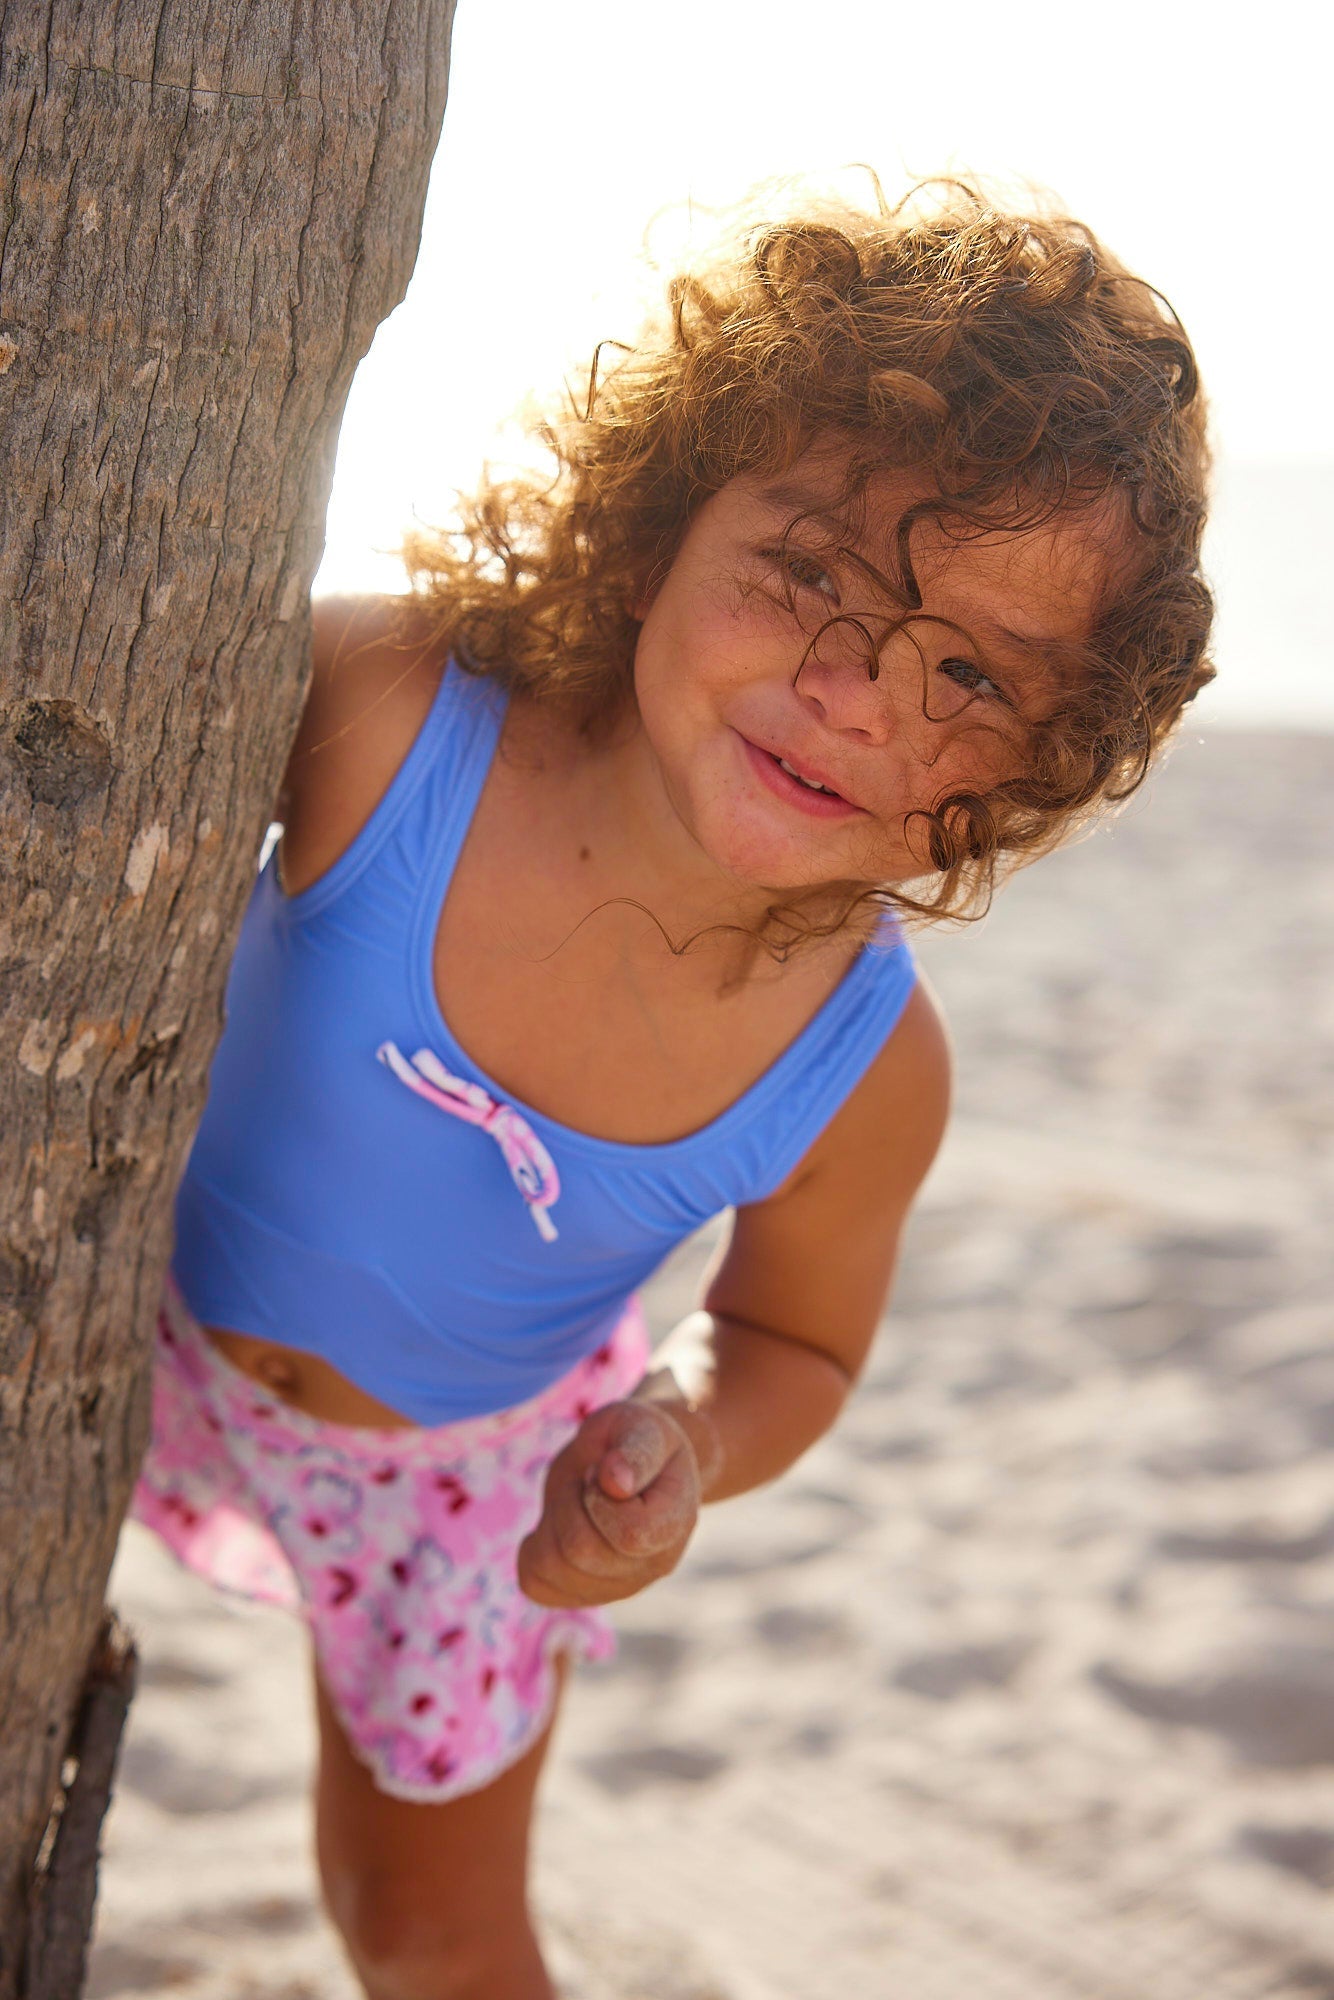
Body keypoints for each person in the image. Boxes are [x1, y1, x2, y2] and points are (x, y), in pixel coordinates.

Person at [131, 178, 1213, 1999]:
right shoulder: (388, 712)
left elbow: (793, 1344)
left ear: (1042, 753)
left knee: (426, 1933)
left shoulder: (860, 1067)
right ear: (654, 521)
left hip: (464, 1485)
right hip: (108, 1308)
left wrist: (683, 1444)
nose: (851, 691)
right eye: (809, 575)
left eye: (963, 671)